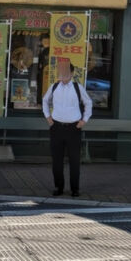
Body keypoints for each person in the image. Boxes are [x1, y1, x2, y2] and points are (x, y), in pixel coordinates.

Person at [42, 59, 92, 197]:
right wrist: (48, 118)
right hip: (56, 127)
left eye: (65, 71)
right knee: (56, 160)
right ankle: (59, 187)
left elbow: (88, 103)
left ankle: (75, 189)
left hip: (73, 129)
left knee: (74, 160)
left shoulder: (78, 88)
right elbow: (45, 101)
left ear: (71, 73)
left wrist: (84, 120)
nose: (63, 74)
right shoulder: (54, 87)